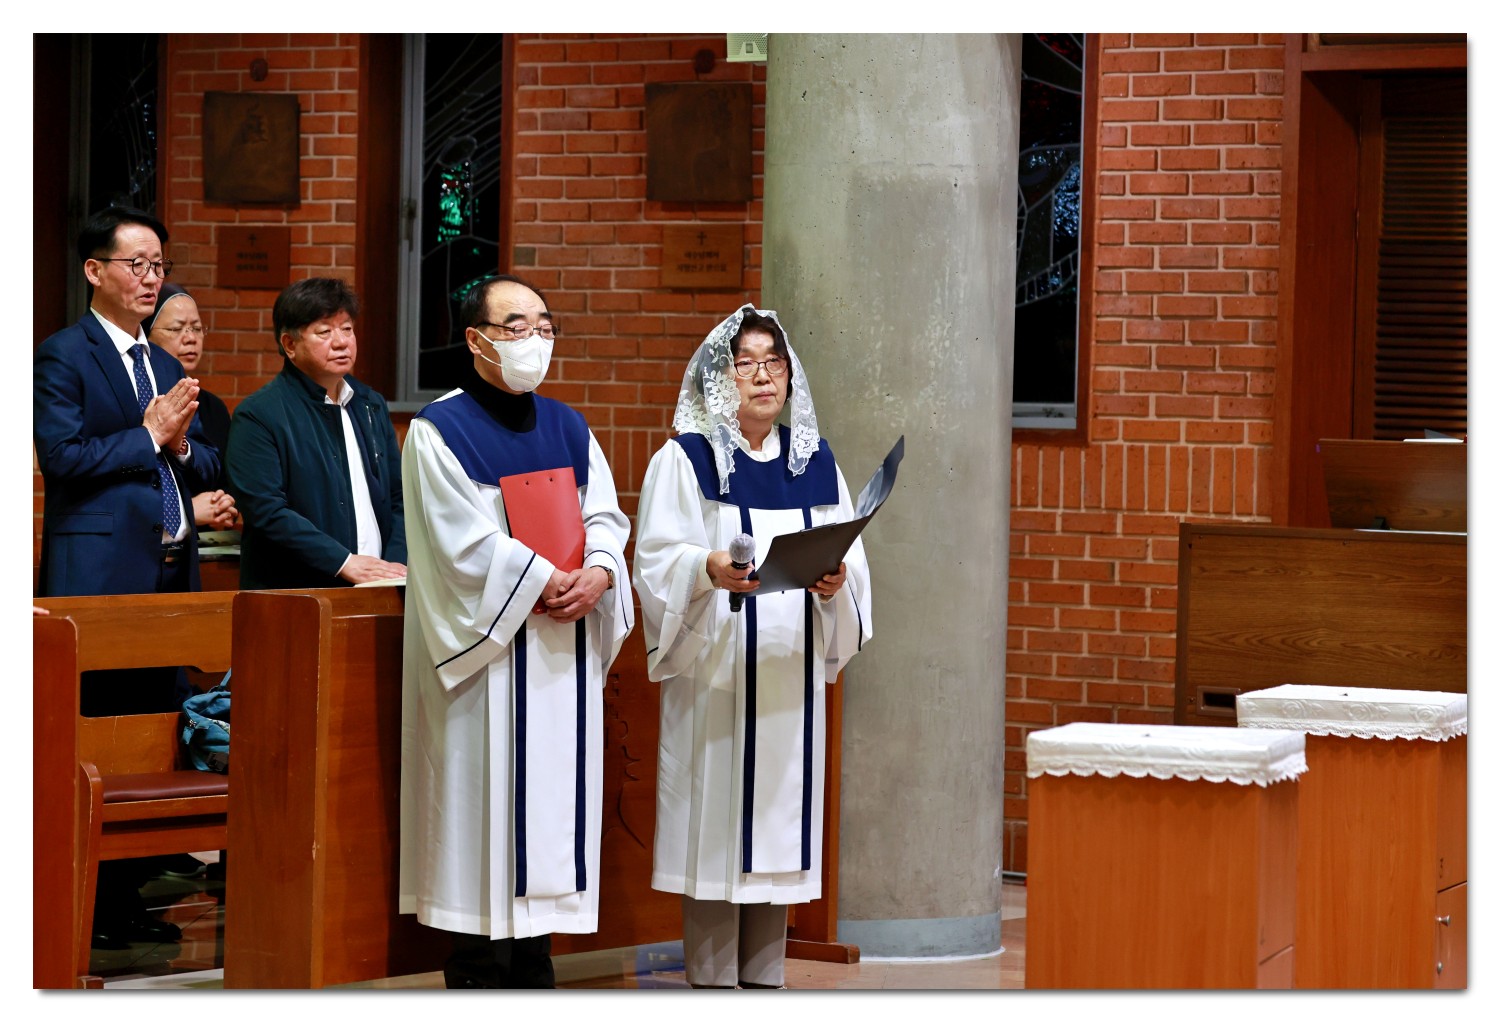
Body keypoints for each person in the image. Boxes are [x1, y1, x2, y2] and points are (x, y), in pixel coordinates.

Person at [398, 274, 634, 988]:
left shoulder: (568, 425)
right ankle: (476, 975)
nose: (535, 339)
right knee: (486, 821)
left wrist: (600, 571)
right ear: (476, 339)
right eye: (516, 326)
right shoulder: (439, 431)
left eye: (544, 326)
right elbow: (456, 545)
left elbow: (606, 516)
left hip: (560, 654)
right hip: (491, 662)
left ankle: (535, 971)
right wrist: (541, 579)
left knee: (551, 820)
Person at [632, 303, 874, 989]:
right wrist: (705, 568)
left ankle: (766, 982)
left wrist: (835, 583)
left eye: (774, 362)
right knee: (718, 830)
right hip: (719, 670)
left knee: (777, 828)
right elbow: (656, 558)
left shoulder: (815, 463)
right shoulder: (686, 459)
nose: (764, 376)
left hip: (789, 673)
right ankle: (712, 983)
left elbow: (851, 558)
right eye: (746, 364)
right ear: (719, 377)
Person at [33, 205, 222, 948]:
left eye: (159, 267)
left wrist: (179, 446)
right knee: (102, 736)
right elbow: (64, 459)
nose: (151, 279)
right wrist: (148, 434)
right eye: (136, 265)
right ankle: (88, 907)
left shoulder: (167, 366)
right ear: (95, 270)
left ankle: (130, 894)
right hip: (100, 577)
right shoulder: (63, 355)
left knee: (156, 731)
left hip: (170, 572)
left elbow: (202, 460)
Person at [224, 277, 406, 589]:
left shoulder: (370, 404)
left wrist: (395, 565)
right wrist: (343, 562)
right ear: (290, 345)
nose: (341, 342)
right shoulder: (258, 414)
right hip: (300, 593)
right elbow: (267, 512)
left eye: (347, 329)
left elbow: (398, 497)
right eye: (324, 332)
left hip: (381, 586)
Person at [144, 282, 237, 531]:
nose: (190, 339)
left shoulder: (213, 406)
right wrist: (188, 510)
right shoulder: (142, 398)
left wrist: (224, 504)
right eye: (176, 329)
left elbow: (226, 478)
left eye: (196, 328)